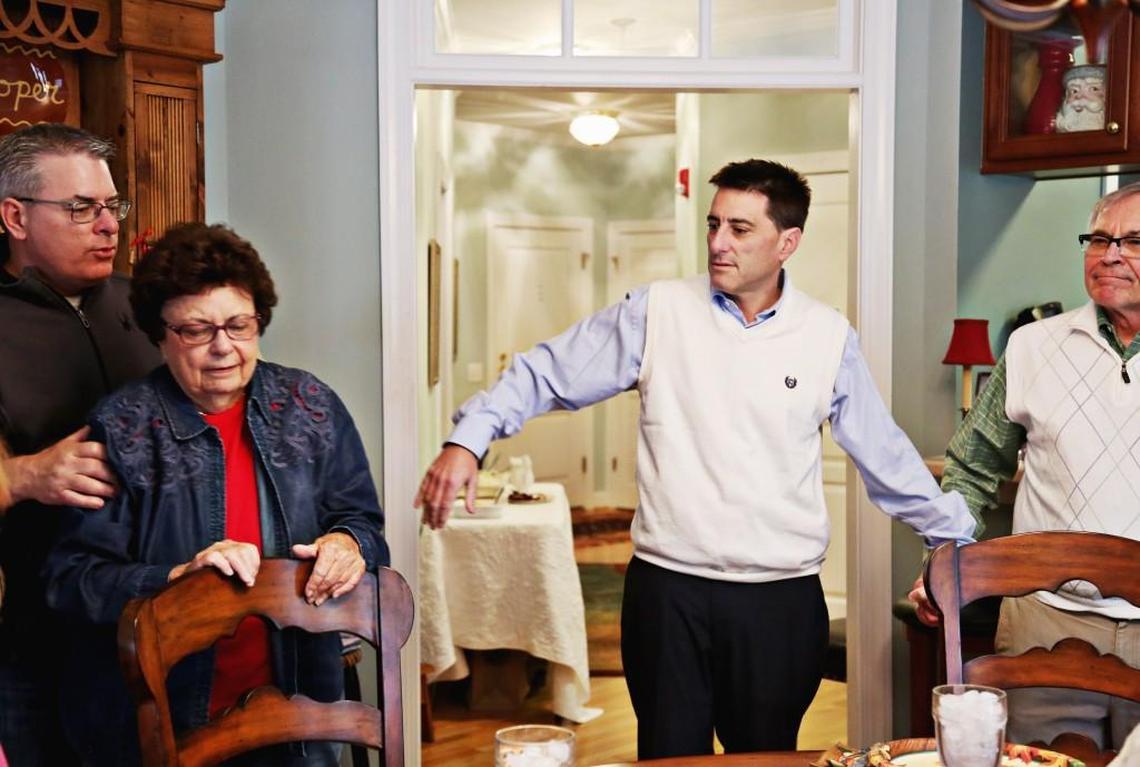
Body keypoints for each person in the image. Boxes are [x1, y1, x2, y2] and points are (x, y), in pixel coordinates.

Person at [416, 159, 978, 759]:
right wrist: (466, 439)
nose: (717, 242)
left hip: (779, 602)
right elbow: (545, 371)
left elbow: (884, 454)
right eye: (713, 224)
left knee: (764, 757)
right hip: (667, 594)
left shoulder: (827, 336)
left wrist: (954, 544)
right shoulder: (655, 311)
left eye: (740, 229)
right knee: (667, 757)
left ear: (787, 242)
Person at [43, 222, 388, 766]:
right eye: (197, 330)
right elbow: (71, 580)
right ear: (161, 334)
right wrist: (174, 579)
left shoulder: (311, 405)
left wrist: (349, 544)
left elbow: (363, 522)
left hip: (300, 710)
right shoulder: (123, 428)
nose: (223, 347)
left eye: (238, 325)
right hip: (165, 722)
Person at [934, 182, 1140, 752]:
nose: (1111, 254)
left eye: (1133, 241)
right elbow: (973, 464)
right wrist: (946, 558)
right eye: (1099, 239)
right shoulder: (1031, 346)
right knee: (1033, 764)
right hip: (1045, 620)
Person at [0, 123, 160, 766]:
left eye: (112, 206)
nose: (107, 225)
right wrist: (26, 476)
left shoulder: (146, 306)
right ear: (14, 215)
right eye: (81, 208)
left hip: (158, 626)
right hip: (35, 643)